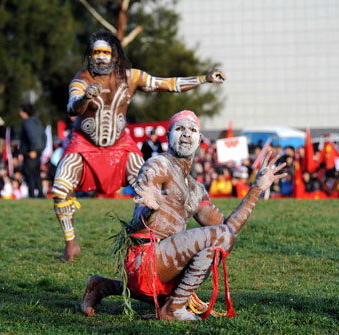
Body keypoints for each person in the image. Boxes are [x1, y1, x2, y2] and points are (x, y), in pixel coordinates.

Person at [80, 110, 287, 321]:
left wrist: (256, 188)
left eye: (192, 130)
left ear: (199, 140)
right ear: (168, 135)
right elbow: (137, 221)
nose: (186, 134)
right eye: (180, 129)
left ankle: (103, 286)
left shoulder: (196, 190)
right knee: (219, 238)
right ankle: (173, 308)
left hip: (164, 268)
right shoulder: (158, 164)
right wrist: (149, 208)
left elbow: (227, 231)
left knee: (214, 249)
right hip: (144, 260)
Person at [54, 31, 226, 261]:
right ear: (90, 55)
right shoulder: (82, 79)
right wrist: (86, 97)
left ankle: (154, 241)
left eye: (106, 52)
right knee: (59, 188)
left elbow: (167, 84)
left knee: (153, 190)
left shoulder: (130, 77)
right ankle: (70, 243)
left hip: (121, 148)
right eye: (97, 52)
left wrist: (203, 79)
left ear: (115, 56)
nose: (102, 57)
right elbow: (73, 108)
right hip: (85, 146)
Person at [19, 104, 46, 198]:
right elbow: (44, 136)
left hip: (31, 152)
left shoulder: (27, 123)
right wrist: (41, 149)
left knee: (30, 174)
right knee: (37, 174)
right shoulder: (37, 122)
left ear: (25, 112)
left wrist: (33, 150)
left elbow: (31, 136)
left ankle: (32, 194)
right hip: (38, 151)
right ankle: (40, 193)